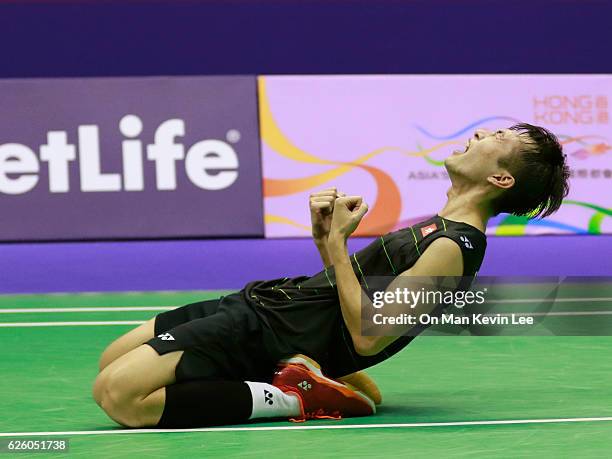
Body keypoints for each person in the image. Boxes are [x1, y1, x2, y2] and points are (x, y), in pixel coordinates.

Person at [93, 123, 569, 428]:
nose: (482, 134)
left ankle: (291, 397)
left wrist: (340, 245)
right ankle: (305, 374)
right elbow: (351, 297)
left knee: (121, 397)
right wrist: (326, 240)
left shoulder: (452, 245)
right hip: (273, 304)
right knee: (111, 359)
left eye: (497, 140)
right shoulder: (438, 226)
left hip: (272, 330)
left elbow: (369, 334)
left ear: (501, 180)